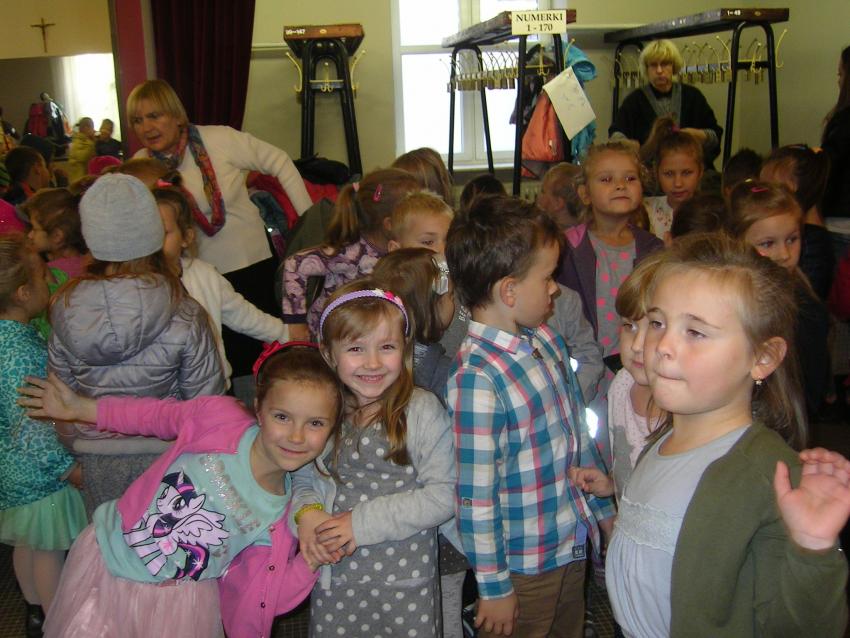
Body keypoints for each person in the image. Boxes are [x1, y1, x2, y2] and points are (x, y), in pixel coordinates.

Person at [605, 232, 849, 637]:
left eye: (695, 332)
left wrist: (811, 546)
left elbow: (802, 629)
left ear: (762, 358)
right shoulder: (660, 440)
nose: (661, 345)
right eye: (658, 322)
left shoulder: (769, 476)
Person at [19, 342, 344, 638]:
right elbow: (155, 415)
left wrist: (310, 561)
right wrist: (83, 409)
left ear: (332, 429)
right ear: (259, 408)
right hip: (109, 557)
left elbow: (262, 596)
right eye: (282, 416)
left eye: (315, 423)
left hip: (175, 607)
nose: (296, 437)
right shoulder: (221, 419)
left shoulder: (279, 516)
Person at [445, 195, 614, 638]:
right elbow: (476, 499)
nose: (555, 288)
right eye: (548, 277)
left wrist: (603, 508)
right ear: (509, 291)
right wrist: (494, 587)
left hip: (570, 542)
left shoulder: (545, 341)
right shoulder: (477, 380)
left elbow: (577, 434)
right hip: (522, 568)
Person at [48, 173, 225, 517]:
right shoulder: (184, 310)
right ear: (153, 234)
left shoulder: (65, 309)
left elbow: (60, 399)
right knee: (168, 544)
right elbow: (206, 403)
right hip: (169, 458)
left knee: (107, 545)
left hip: (97, 461)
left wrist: (77, 447)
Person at [291, 281, 456, 637]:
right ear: (329, 354)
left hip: (404, 584)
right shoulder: (324, 411)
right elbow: (302, 476)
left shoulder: (421, 410)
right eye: (355, 348)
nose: (373, 362)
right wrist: (306, 513)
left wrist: (360, 524)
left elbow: (445, 495)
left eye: (387, 347)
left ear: (404, 348)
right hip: (336, 581)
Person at [127, 79, 311, 386]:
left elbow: (279, 160)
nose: (146, 127)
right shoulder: (140, 168)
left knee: (267, 357)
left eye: (154, 116)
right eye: (137, 120)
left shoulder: (219, 139)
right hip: (193, 277)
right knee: (220, 360)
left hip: (251, 265)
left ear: (176, 115)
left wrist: (308, 219)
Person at [370, 249, 467, 637]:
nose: (454, 303)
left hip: (382, 520)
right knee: (444, 613)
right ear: (432, 307)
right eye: (449, 296)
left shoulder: (370, 369)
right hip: (441, 526)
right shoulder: (445, 371)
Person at [0, 235, 86, 637]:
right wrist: (67, 468)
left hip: (14, 472)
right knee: (50, 552)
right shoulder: (19, 350)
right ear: (22, 292)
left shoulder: (7, 339)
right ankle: (59, 623)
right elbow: (33, 424)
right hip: (41, 476)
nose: (49, 280)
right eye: (41, 276)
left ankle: (35, 613)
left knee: (29, 545)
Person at [153, 186, 289, 390]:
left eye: (163, 233)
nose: (153, 241)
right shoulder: (138, 287)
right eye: (147, 233)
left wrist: (286, 333)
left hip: (215, 388)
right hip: (168, 395)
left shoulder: (204, 275)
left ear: (186, 237)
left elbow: (243, 316)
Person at [728, 180, 830, 418]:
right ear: (736, 242)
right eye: (768, 243)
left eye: (792, 239)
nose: (784, 254)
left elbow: (809, 390)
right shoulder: (727, 297)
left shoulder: (806, 308)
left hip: (780, 419)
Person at [558, 142, 664, 369]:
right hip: (586, 365)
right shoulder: (566, 248)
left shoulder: (654, 249)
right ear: (585, 194)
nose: (620, 185)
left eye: (630, 178)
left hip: (638, 361)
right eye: (606, 179)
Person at [282, 168, 420, 339]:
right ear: (389, 224)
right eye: (416, 215)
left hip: (369, 336)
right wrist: (296, 322)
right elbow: (295, 264)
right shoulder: (350, 254)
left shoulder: (401, 249)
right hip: (331, 339)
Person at [570, 255, 665, 504]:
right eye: (629, 326)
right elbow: (628, 461)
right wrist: (613, 483)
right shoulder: (622, 383)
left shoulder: (687, 408)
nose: (636, 345)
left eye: (655, 326)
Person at [609, 39, 722, 168]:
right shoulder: (634, 101)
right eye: (653, 65)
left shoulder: (693, 96)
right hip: (650, 172)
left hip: (690, 169)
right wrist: (631, 145)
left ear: (673, 66)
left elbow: (715, 136)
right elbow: (616, 135)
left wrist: (694, 135)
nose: (659, 70)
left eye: (664, 64)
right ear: (646, 69)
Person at [760, 144, 834, 300]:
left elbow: (802, 303)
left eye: (770, 190)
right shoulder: (807, 237)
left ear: (793, 191)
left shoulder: (812, 246)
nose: (763, 199)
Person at [641, 115, 704, 239]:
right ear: (656, 172)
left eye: (686, 173)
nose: (678, 183)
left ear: (700, 172)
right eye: (669, 174)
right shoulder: (645, 210)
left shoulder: (709, 212)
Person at [22, 188, 89, 279]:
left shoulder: (48, 274)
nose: (30, 235)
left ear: (57, 236)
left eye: (35, 229)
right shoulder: (84, 262)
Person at [822, 45, 850, 221]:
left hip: (841, 215)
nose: (838, 81)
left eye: (840, 75)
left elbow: (829, 166)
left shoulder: (844, 122)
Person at [536, 162, 583, 230]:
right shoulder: (588, 231)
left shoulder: (552, 234)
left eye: (543, 192)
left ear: (557, 202)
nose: (539, 197)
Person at [67, 117, 96, 184]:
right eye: (92, 127)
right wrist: (91, 144)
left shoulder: (85, 140)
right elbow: (82, 157)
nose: (94, 130)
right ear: (86, 128)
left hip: (84, 178)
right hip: (79, 180)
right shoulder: (78, 141)